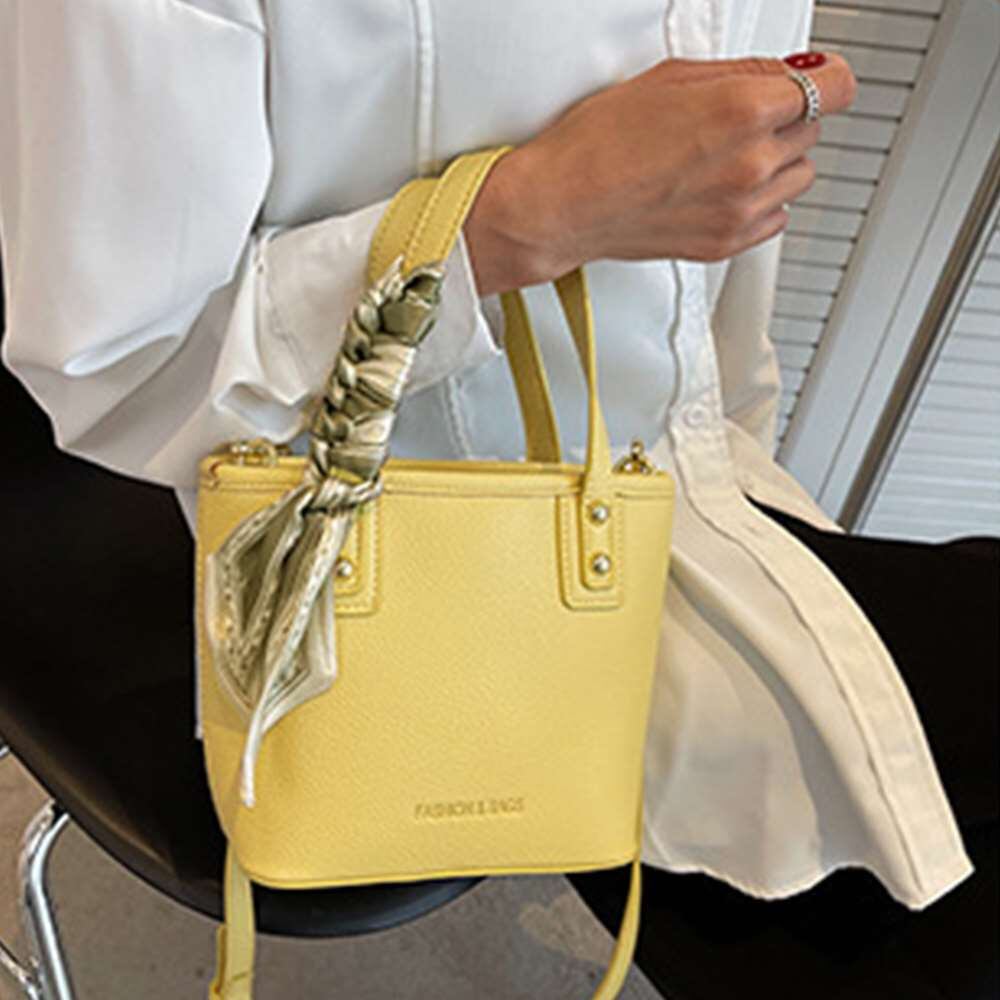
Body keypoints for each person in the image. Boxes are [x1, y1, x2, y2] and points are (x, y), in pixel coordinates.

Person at [0, 1, 994, 997]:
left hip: (657, 494)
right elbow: (119, 365)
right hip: (379, 549)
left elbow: (709, 295)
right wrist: (531, 215)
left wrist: (735, 433)